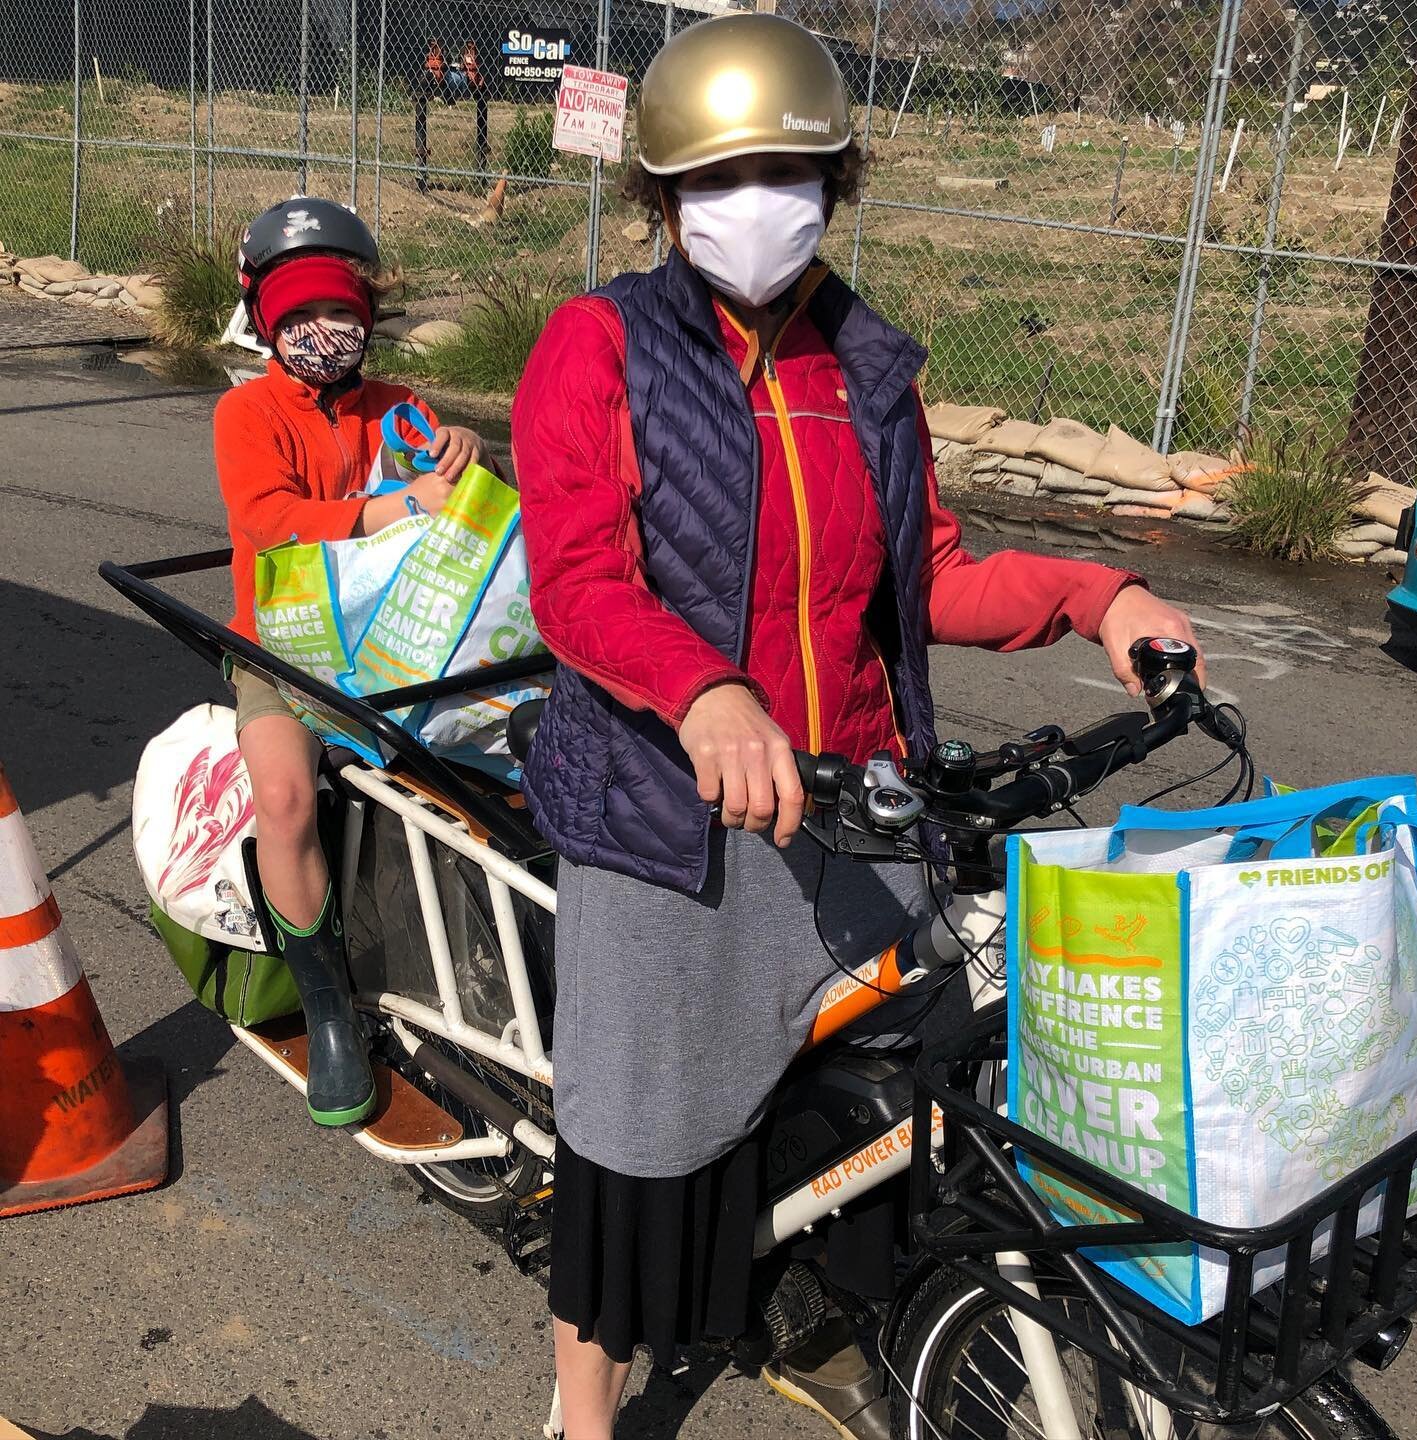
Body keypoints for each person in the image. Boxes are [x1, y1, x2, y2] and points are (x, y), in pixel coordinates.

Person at [510, 16, 1204, 1438]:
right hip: (671, 825)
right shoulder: (599, 348)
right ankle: (584, 1412)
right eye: (722, 176)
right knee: (638, 1151)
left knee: (892, 1102)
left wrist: (1098, 594)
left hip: (855, 805)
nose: (759, 200)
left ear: (840, 181)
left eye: (792, 169)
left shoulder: (868, 368)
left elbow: (926, 572)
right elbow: (580, 585)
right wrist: (707, 692)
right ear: (661, 199)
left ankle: (817, 1307)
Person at [217, 197, 488, 1126]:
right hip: (281, 648)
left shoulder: (395, 408)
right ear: (265, 324)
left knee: (479, 770)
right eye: (297, 318)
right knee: (287, 797)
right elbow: (269, 519)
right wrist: (391, 510)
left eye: (338, 314)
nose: (320, 334)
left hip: (394, 638)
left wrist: (460, 452)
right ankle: (329, 1008)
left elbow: (441, 482)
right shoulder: (245, 412)